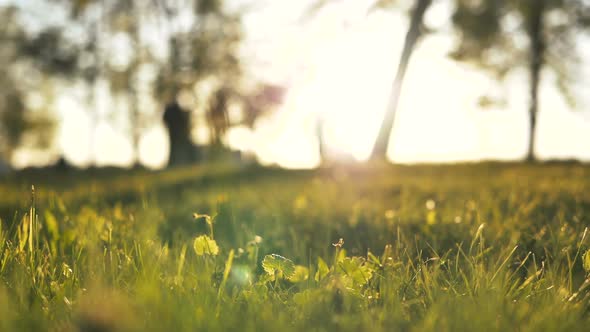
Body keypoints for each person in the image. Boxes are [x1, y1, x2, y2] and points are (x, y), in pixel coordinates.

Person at [163, 101, 194, 166]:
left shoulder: (177, 110)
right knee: (176, 149)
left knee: (180, 148)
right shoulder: (171, 110)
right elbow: (165, 119)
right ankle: (178, 163)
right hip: (174, 136)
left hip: (179, 135)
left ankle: (182, 162)